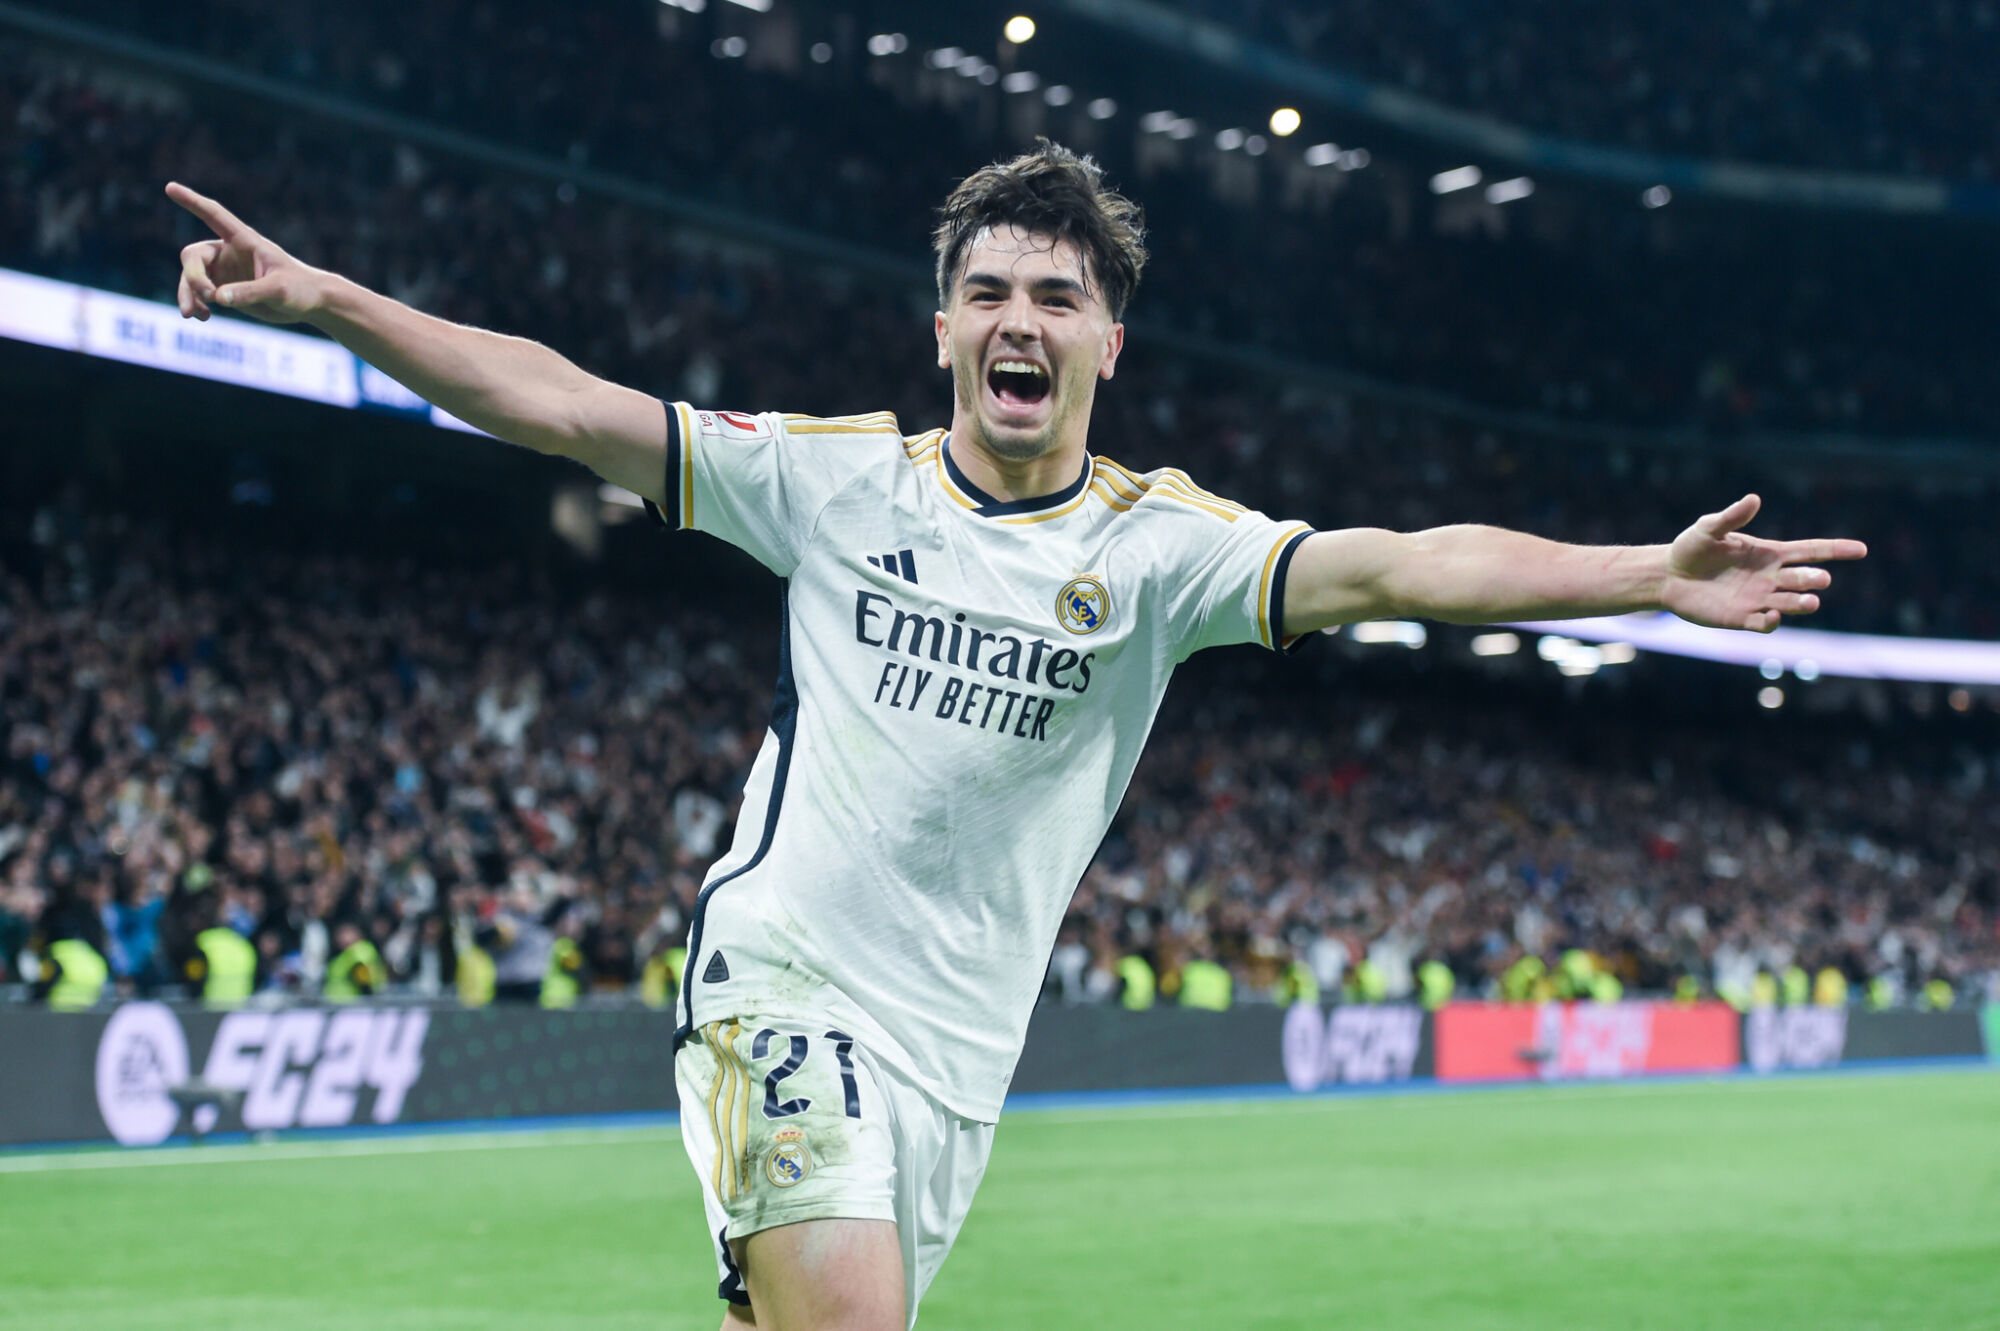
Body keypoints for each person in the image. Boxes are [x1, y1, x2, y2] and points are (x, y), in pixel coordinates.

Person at [165, 140, 1865, 1331]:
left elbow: (1402, 566)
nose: (1018, 321)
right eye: (986, 292)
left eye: (1056, 295)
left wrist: (1643, 573)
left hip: (957, 1061)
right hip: (785, 985)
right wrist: (335, 302)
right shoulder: (832, 481)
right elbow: (563, 403)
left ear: (1108, 341)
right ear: (944, 329)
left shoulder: (1163, 550)